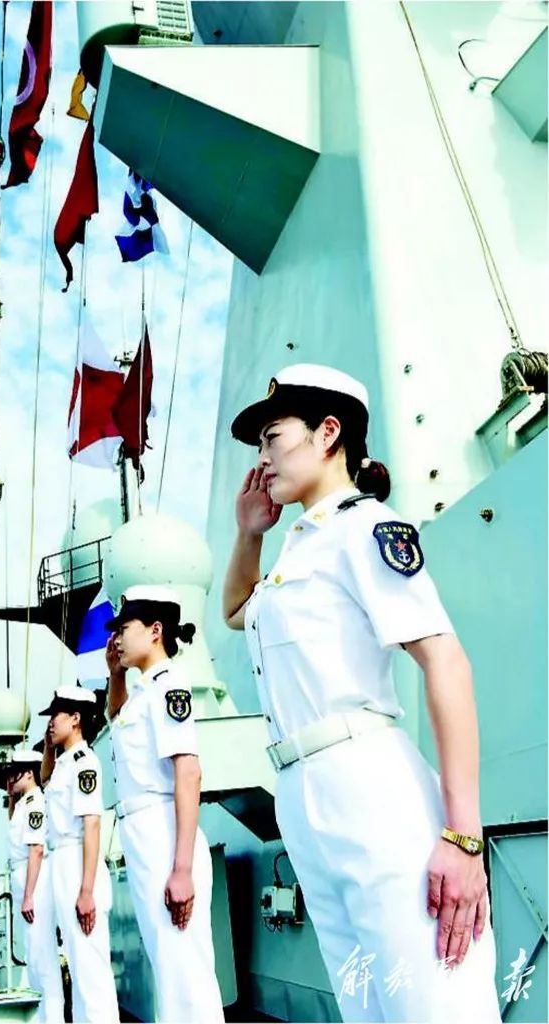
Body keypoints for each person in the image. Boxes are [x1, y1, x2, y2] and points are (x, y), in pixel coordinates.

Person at [223, 364, 502, 1023]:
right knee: (369, 1006)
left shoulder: (365, 528)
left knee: (435, 1002)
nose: (262, 459)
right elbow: (237, 610)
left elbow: (447, 663)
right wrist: (249, 533)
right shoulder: (299, 548)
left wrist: (464, 838)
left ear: (327, 432)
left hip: (367, 785)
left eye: (271, 437)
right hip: (303, 792)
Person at [105, 585, 224, 1024]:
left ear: (155, 631)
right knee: (169, 967)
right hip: (143, 835)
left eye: (124, 628)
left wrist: (182, 869)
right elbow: (117, 719)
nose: (116, 638)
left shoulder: (169, 685)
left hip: (162, 832)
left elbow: (188, 772)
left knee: (185, 971)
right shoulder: (141, 690)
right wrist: (115, 674)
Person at [40, 685, 119, 1024]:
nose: (50, 723)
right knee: (75, 959)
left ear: (75, 718)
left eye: (55, 716)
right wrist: (48, 746)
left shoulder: (85, 763)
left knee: (90, 968)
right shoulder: (62, 764)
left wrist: (86, 891)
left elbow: (92, 824)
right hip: (62, 863)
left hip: (78, 864)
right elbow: (44, 779)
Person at [5, 749, 64, 1023]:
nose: (10, 779)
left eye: (14, 773)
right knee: (34, 958)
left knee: (44, 959)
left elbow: (36, 849)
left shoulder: (34, 803)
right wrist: (10, 797)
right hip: (23, 878)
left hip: (35, 883)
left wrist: (29, 896)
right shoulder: (22, 805)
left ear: (29, 773)